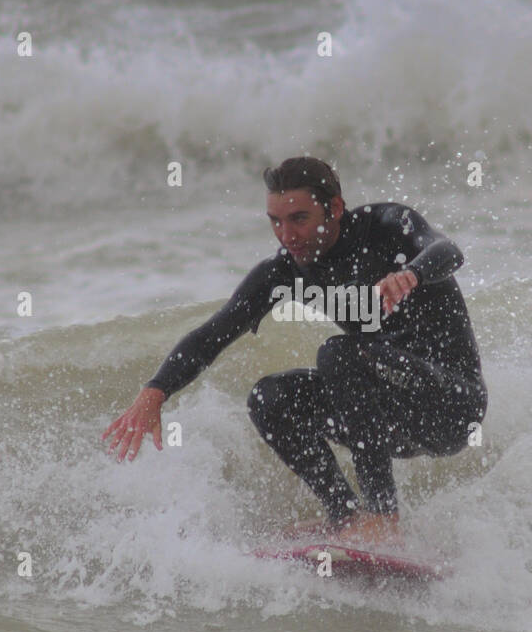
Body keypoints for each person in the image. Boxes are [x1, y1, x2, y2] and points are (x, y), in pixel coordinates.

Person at [102, 157, 487, 547]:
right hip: (389, 416)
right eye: (275, 221)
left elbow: (448, 250)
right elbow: (211, 335)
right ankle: (346, 519)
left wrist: (412, 273)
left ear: (334, 208)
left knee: (340, 353)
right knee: (270, 399)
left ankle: (383, 519)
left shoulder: (388, 227)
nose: (287, 235)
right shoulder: (285, 273)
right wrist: (155, 392)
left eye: (299, 219)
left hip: (450, 406)